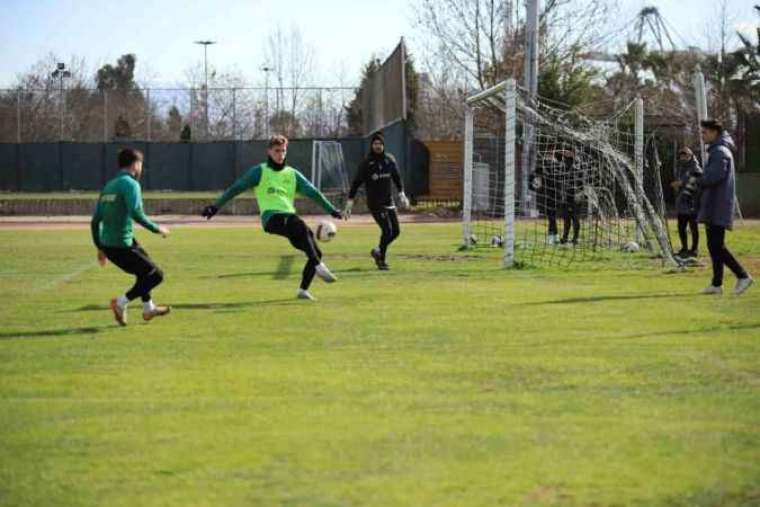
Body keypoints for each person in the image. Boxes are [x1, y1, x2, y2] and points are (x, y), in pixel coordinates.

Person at [201, 134, 344, 301]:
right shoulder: (259, 171)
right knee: (300, 227)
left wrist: (331, 209)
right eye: (277, 151)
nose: (280, 154)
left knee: (315, 250)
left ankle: (303, 290)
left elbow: (313, 192)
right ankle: (319, 266)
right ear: (269, 152)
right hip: (272, 218)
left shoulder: (292, 174)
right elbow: (236, 188)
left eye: (283, 151)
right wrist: (216, 206)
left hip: (289, 219)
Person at [91, 148, 171, 326]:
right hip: (122, 246)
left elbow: (95, 221)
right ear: (136, 164)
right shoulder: (131, 184)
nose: (141, 168)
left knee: (144, 271)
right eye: (141, 164)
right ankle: (120, 303)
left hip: (113, 244)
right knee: (156, 275)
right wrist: (158, 229)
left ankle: (148, 308)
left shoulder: (109, 186)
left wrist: (100, 247)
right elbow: (136, 214)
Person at [697, 120, 753, 295]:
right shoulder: (718, 151)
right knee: (713, 245)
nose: (702, 135)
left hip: (717, 205)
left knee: (717, 245)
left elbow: (713, 177)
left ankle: (743, 276)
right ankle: (716, 283)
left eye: (705, 132)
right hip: (714, 204)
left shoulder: (720, 152)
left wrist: (697, 178)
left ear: (715, 133)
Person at [344, 132, 409, 270]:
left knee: (395, 232)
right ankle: (381, 260)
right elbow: (356, 183)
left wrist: (402, 193)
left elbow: (397, 178)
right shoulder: (367, 163)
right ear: (371, 146)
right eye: (375, 144)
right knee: (387, 230)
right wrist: (350, 201)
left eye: (380, 144)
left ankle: (378, 250)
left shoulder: (389, 160)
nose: (377, 146)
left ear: (383, 145)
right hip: (375, 203)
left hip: (388, 201)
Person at [670, 146, 702, 258]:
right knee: (681, 226)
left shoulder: (695, 168)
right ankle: (684, 248)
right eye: (681, 155)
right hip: (682, 202)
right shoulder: (681, 167)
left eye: (685, 155)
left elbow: (696, 182)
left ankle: (694, 250)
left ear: (690, 155)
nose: (683, 157)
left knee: (693, 226)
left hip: (692, 202)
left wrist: (681, 183)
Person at [555, 147, 581, 245]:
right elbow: (557, 154)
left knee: (575, 217)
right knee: (566, 218)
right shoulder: (563, 168)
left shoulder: (577, 168)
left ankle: (575, 238)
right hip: (566, 196)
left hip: (575, 196)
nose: (565, 157)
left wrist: (578, 195)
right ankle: (565, 237)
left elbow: (581, 183)